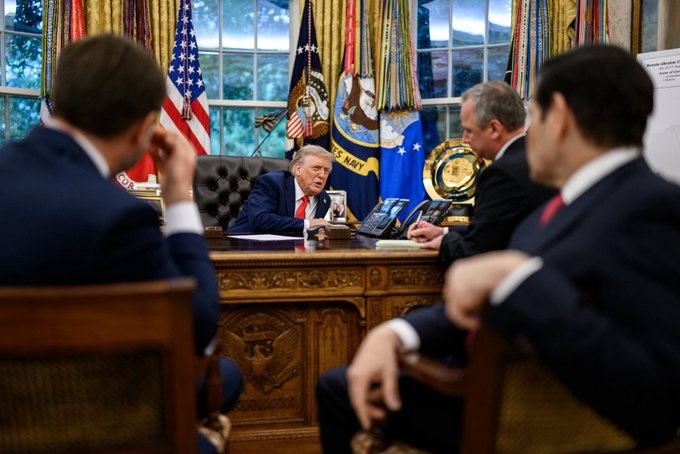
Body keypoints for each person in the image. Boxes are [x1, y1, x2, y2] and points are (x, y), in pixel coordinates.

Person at [317, 44, 680, 453]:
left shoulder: (654, 208)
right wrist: (397, 334)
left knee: (336, 391)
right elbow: (491, 300)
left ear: (559, 116)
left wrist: (517, 277)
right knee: (342, 383)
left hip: (528, 416)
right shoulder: (574, 201)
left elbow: (657, 396)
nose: (529, 131)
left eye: (534, 114)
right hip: (494, 380)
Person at [0, 35, 241, 453]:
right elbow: (197, 327)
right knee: (227, 374)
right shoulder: (118, 217)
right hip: (94, 425)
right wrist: (178, 197)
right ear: (143, 128)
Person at [408, 81, 555, 268]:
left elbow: (476, 251)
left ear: (494, 129)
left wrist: (444, 243)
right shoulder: (539, 159)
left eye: (469, 130)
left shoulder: (501, 173)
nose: (464, 139)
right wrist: (444, 232)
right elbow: (497, 228)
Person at [229, 144, 333, 233]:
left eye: (326, 171)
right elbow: (259, 220)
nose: (322, 175)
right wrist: (307, 224)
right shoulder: (272, 183)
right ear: (298, 169)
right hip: (242, 244)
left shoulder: (324, 199)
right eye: (316, 168)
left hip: (290, 248)